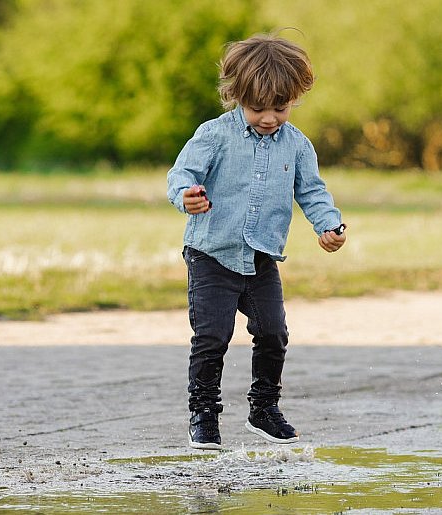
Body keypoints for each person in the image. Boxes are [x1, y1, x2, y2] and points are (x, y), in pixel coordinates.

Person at [167, 33, 346, 450]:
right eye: (258, 108)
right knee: (212, 335)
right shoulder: (214, 135)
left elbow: (313, 192)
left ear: (294, 99)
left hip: (262, 257)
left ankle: (263, 409)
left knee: (273, 332)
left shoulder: (298, 145)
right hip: (211, 254)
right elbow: (182, 175)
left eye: (279, 108)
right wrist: (186, 196)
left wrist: (330, 226)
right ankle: (204, 414)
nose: (269, 118)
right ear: (236, 96)